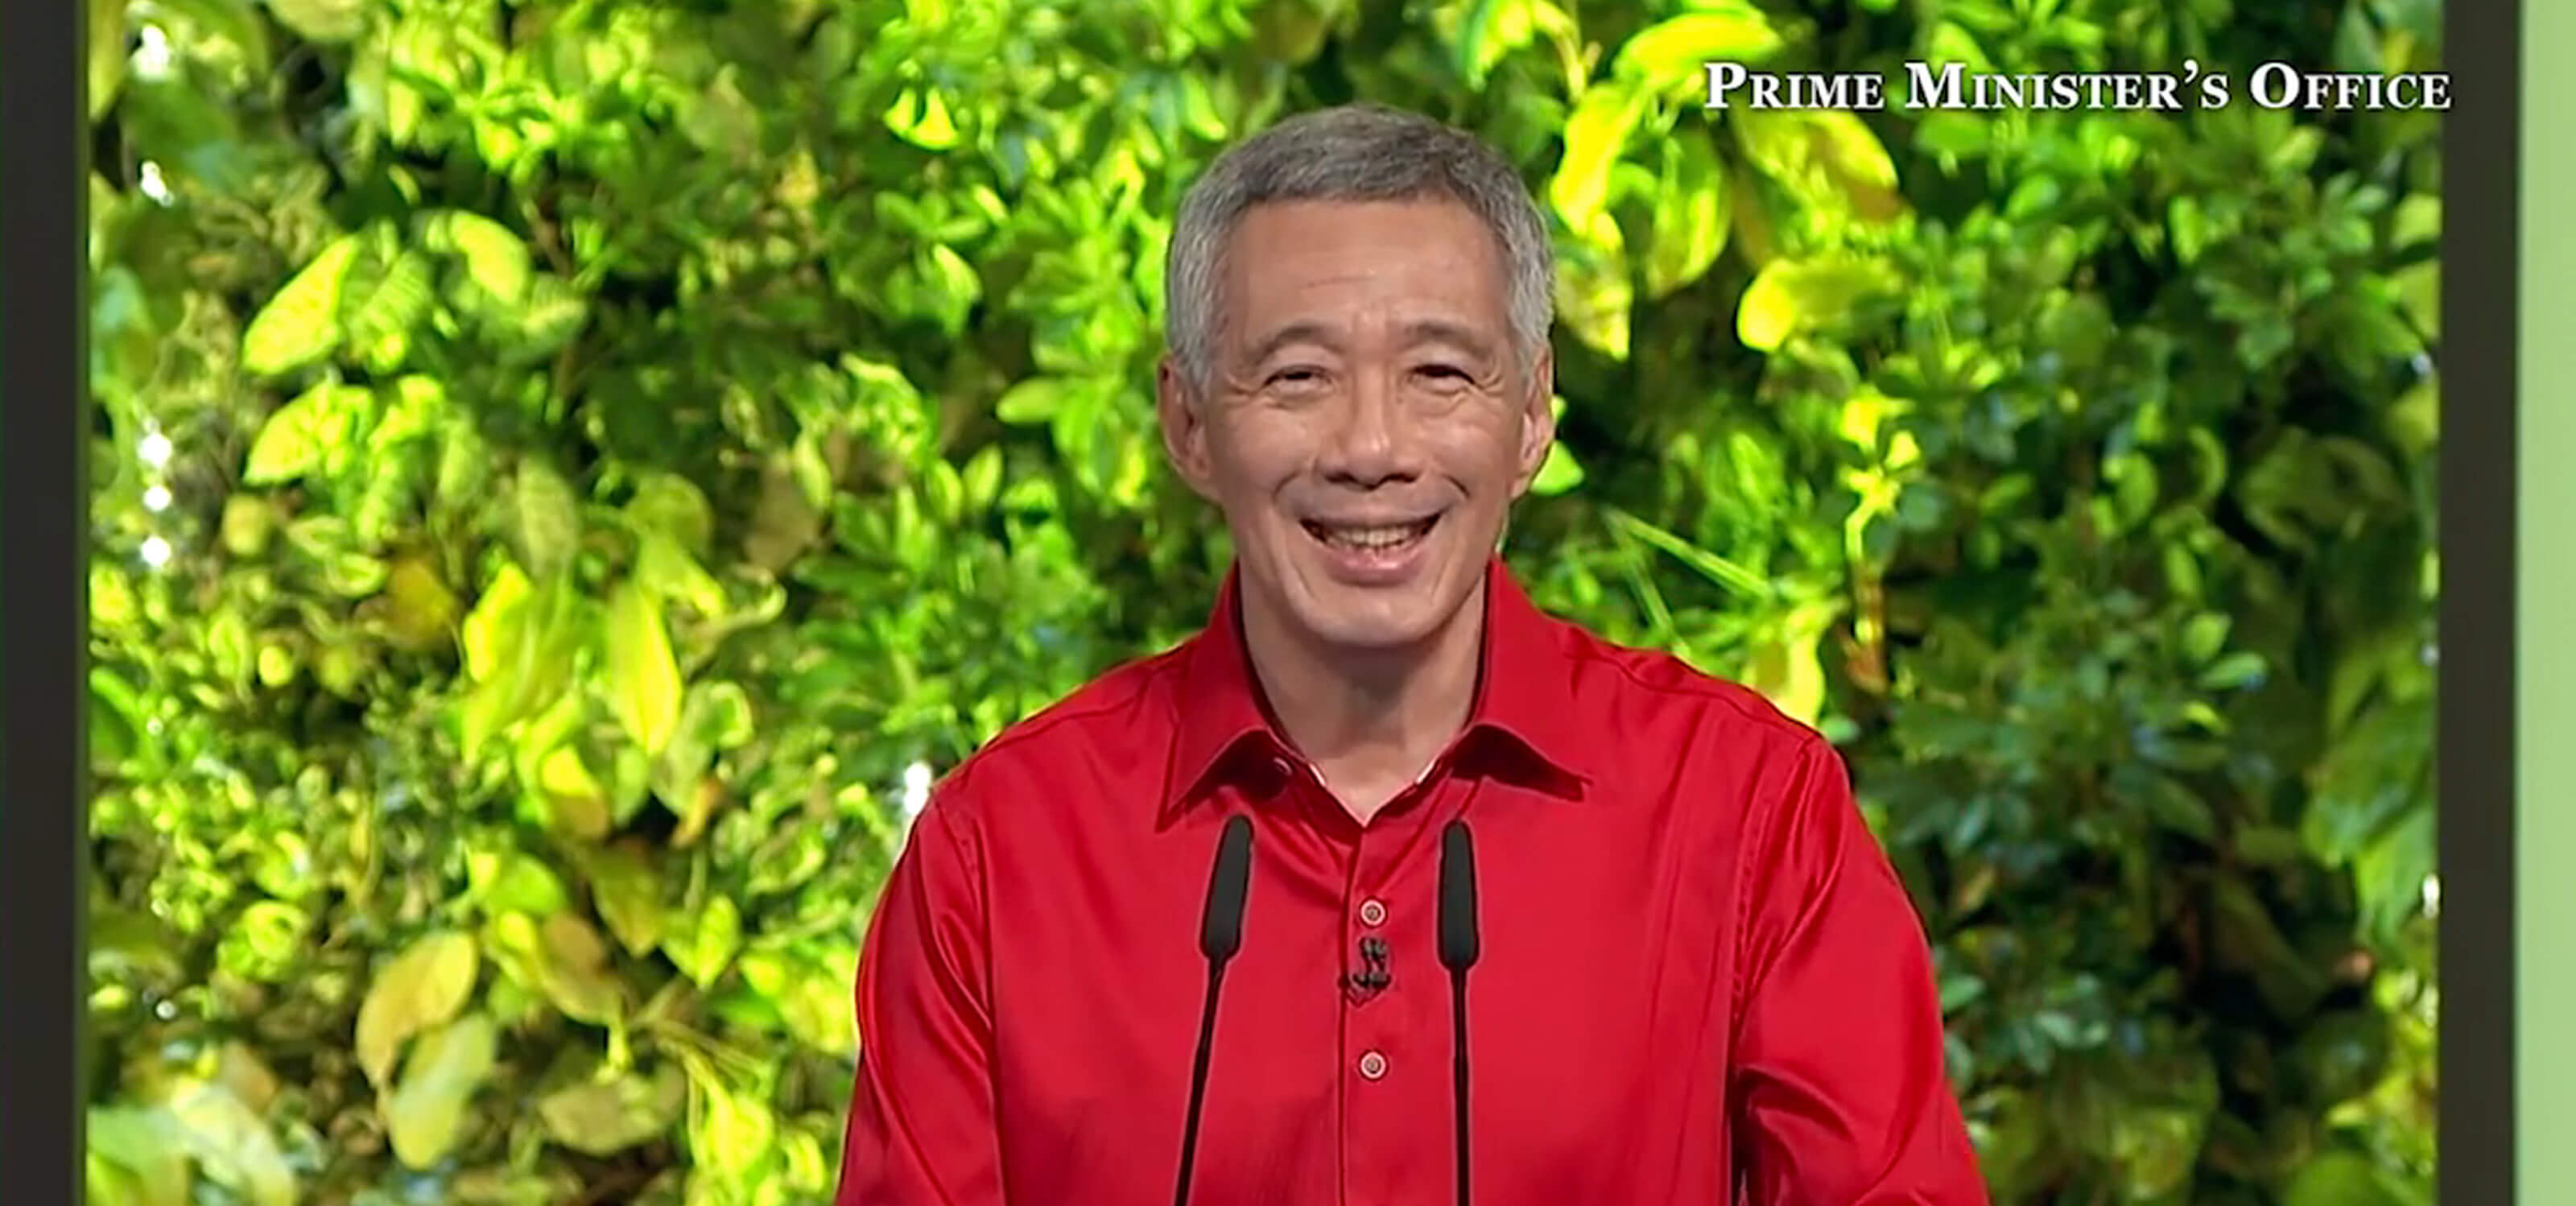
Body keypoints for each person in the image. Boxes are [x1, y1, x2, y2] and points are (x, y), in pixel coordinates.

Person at [831, 103, 1988, 1206]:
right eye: (1298, 376)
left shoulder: (1749, 814)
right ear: (1188, 424)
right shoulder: (1001, 852)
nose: (1372, 446)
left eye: (1440, 373)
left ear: (1532, 417)